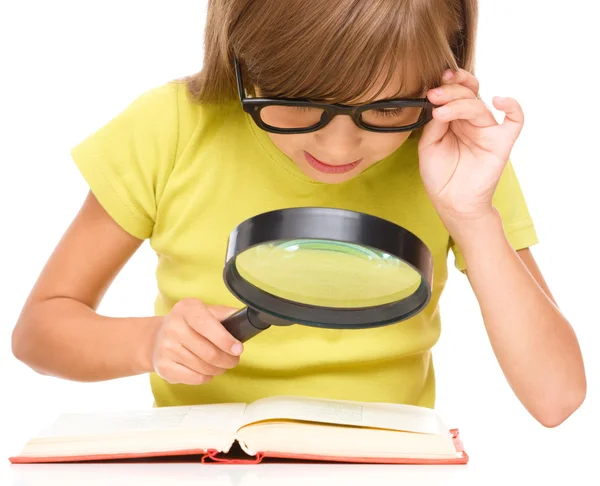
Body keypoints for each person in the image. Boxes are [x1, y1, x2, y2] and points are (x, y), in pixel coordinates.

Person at [11, 0, 585, 427]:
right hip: (201, 463)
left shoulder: (459, 153)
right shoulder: (172, 127)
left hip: (384, 466)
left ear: (443, 74)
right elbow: (38, 332)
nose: (337, 150)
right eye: (297, 101)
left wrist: (472, 215)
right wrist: (151, 341)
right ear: (241, 55)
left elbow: (556, 397)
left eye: (386, 109)